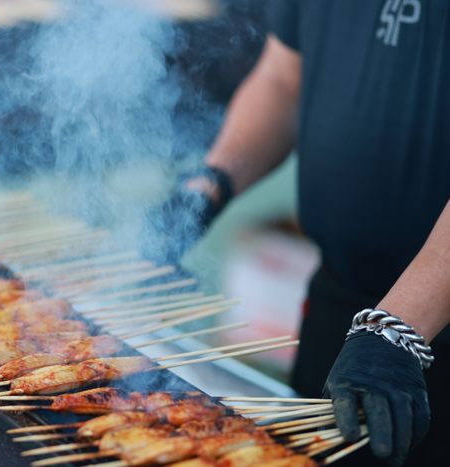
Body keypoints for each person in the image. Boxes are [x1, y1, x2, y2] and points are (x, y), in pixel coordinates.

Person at [144, 1, 450, 465]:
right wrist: (211, 184)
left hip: (428, 330)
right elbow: (284, 79)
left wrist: (398, 328)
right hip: (340, 310)